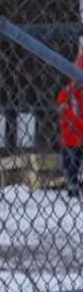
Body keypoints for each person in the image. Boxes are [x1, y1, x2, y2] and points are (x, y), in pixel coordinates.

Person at [63, 46, 83, 193]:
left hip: (78, 135)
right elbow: (67, 114)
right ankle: (72, 185)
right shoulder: (67, 93)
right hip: (71, 137)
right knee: (72, 162)